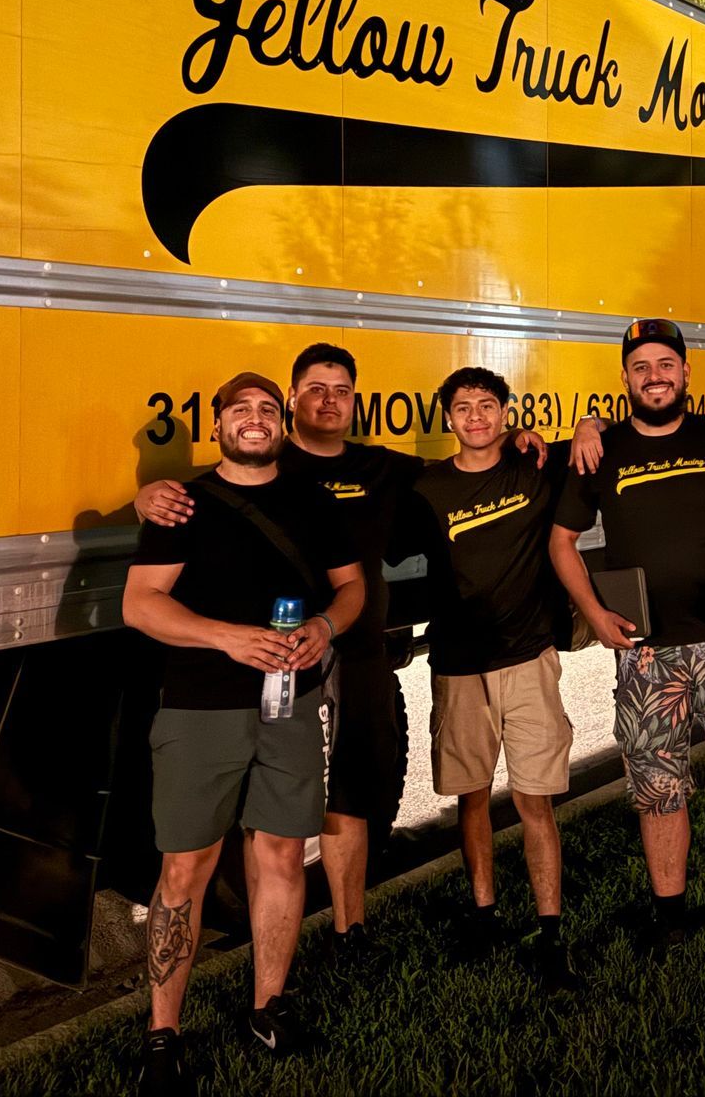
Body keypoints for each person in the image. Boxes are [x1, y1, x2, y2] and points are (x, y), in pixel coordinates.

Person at [134, 344, 546, 956]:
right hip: (274, 672)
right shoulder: (264, 461)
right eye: (314, 389)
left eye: (342, 391)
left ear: (356, 401)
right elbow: (197, 504)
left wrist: (523, 438)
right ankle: (267, 941)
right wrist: (146, 497)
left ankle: (349, 929)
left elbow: (467, 465)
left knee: (354, 790)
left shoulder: (384, 469)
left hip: (357, 657)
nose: (329, 401)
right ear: (291, 401)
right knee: (271, 807)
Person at [121, 371, 364, 1089]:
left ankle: (270, 1005)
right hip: (201, 710)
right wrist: (227, 638)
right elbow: (141, 605)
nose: (254, 420)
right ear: (218, 425)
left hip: (293, 706)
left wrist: (325, 625)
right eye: (240, 411)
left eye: (267, 409)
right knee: (184, 870)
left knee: (284, 855)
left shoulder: (311, 501)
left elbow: (352, 587)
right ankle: (163, 1034)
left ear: (281, 423)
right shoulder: (182, 505)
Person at [548, 318, 705, 963]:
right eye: (640, 367)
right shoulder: (599, 451)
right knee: (658, 789)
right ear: (624, 379)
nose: (654, 376)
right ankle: (670, 917)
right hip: (646, 652)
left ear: (685, 373)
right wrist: (595, 614)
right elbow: (561, 542)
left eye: (665, 365)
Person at [408, 366, 579, 991]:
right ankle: (484, 914)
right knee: (472, 795)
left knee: (536, 799)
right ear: (448, 419)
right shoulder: (425, 489)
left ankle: (550, 929)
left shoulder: (535, 467)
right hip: (457, 665)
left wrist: (582, 424)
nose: (476, 416)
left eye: (487, 405)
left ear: (506, 412)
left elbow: (603, 441)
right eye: (463, 407)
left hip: (529, 657)